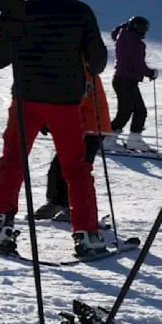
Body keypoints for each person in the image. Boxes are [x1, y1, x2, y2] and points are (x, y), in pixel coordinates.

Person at [0, 0, 109, 257]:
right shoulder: (80, 11)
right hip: (66, 103)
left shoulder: (20, 11)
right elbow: (98, 62)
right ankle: (86, 234)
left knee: (12, 162)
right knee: (76, 169)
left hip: (26, 101)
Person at [36, 62, 110, 221]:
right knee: (58, 166)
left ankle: (75, 207)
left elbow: (75, 99)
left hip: (92, 127)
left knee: (76, 168)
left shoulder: (83, 66)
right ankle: (56, 202)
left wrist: (51, 118)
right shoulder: (71, 64)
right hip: (79, 125)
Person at [109, 16, 157, 152]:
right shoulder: (133, 42)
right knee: (126, 111)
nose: (144, 32)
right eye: (143, 29)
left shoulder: (124, 36)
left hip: (124, 79)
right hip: (125, 79)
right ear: (136, 28)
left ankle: (133, 140)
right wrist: (151, 73)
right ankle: (108, 139)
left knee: (139, 110)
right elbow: (137, 63)